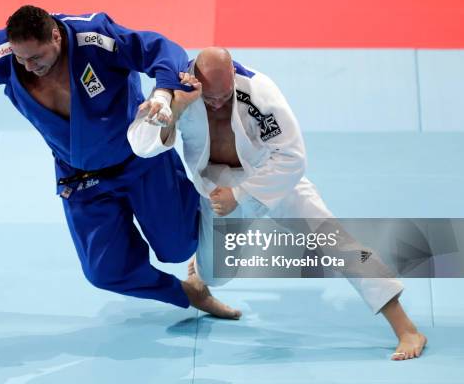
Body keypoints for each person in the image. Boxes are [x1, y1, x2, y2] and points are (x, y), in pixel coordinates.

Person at [0, 5, 241, 319]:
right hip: (81, 180)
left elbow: (161, 50)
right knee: (104, 272)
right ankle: (187, 293)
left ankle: (224, 207)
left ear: (55, 36)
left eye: (36, 56)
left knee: (180, 246)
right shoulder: (7, 53)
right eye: (22, 59)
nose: (28, 65)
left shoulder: (94, 37)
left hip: (141, 164)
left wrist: (163, 94)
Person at [127, 47, 427, 360]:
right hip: (215, 192)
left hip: (272, 179)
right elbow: (140, 145)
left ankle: (407, 329)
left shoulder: (259, 92)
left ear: (233, 78)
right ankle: (201, 267)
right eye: (210, 97)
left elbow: (293, 156)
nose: (217, 104)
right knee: (216, 276)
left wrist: (240, 193)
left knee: (335, 241)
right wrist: (174, 111)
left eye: (225, 95)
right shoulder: (178, 91)